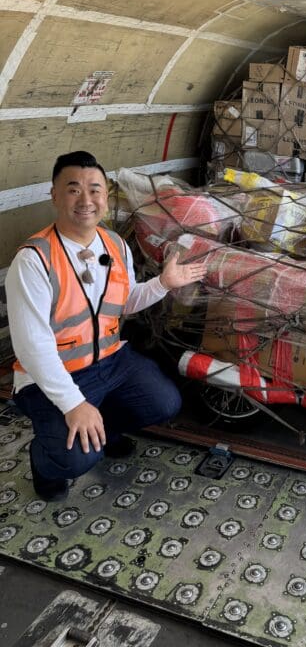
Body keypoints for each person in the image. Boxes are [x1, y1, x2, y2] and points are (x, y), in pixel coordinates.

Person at [6, 150, 206, 501]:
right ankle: (45, 463)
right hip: (51, 376)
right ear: (54, 195)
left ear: (106, 197)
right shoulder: (33, 260)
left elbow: (124, 302)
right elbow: (32, 347)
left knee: (164, 402)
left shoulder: (113, 243)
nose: (86, 200)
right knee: (76, 457)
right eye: (73, 189)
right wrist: (74, 404)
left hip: (110, 361)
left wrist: (163, 284)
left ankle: (104, 429)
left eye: (95, 189)